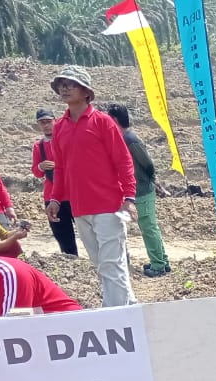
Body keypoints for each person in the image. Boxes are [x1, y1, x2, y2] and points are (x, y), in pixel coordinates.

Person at [45, 65, 138, 308]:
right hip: (79, 207)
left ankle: (115, 315)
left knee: (110, 263)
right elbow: (61, 167)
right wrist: (56, 198)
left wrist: (129, 197)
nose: (65, 88)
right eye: (62, 84)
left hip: (108, 205)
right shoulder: (59, 127)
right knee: (102, 264)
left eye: (71, 84)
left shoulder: (102, 122)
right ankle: (128, 307)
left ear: (86, 92)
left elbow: (123, 160)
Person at [107, 103, 170, 277]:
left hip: (142, 190)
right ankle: (162, 261)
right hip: (139, 189)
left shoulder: (130, 139)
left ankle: (158, 266)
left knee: (149, 228)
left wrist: (151, 181)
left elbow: (148, 164)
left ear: (114, 120)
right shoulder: (124, 138)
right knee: (150, 228)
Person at [32, 108, 78, 256]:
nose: (46, 125)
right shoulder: (38, 146)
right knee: (63, 236)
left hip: (73, 193)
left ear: (55, 120)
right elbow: (37, 172)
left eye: (48, 121)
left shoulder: (67, 139)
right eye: (42, 123)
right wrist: (40, 166)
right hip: (52, 196)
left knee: (89, 231)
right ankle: (72, 261)